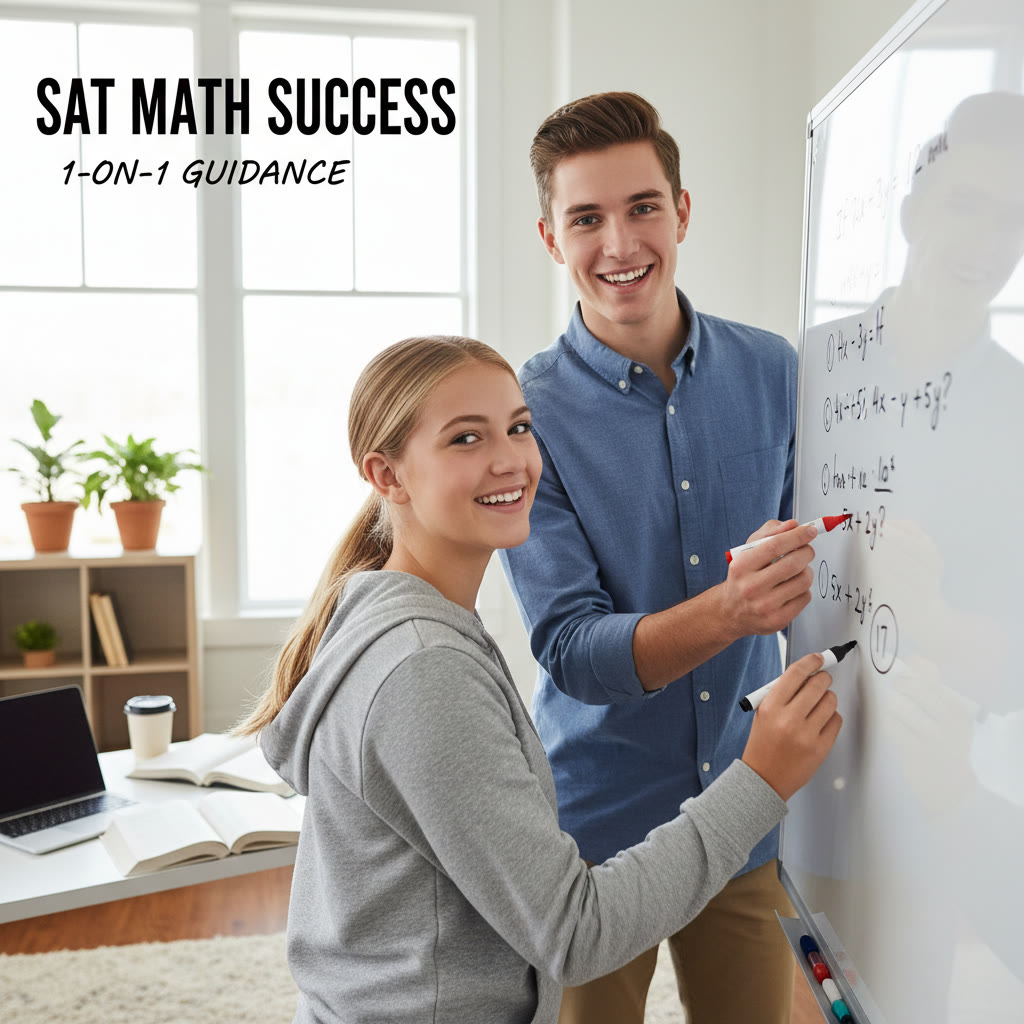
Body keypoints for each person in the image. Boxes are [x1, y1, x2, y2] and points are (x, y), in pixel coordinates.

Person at [237, 335, 841, 1024]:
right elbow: (576, 934)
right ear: (388, 476)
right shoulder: (423, 671)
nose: (510, 461)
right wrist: (761, 780)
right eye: (466, 439)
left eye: (519, 429)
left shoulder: (405, 621)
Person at [498, 93, 815, 1024]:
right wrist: (734, 610)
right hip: (595, 841)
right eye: (585, 218)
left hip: (745, 807)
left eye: (642, 207)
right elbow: (573, 651)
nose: (619, 242)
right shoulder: (524, 416)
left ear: (681, 211)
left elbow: (829, 574)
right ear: (552, 239)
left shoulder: (778, 372)